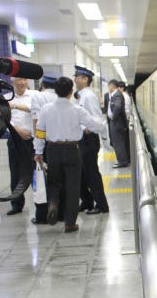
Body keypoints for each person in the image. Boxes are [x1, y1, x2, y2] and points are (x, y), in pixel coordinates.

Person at [33, 76, 107, 233]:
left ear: (55, 90)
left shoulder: (46, 109)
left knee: (54, 182)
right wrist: (103, 123)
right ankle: (70, 223)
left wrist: (38, 152)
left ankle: (53, 203)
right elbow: (96, 125)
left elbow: (39, 132)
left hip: (52, 149)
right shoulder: (77, 110)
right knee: (73, 186)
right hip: (72, 150)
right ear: (71, 91)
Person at [74, 66, 109, 214]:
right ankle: (87, 201)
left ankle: (101, 205)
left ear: (85, 79)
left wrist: (88, 127)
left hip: (89, 139)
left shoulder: (88, 96)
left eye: (78, 77)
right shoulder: (81, 96)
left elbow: (97, 119)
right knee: (82, 172)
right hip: (82, 139)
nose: (75, 79)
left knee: (91, 173)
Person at [29, 74, 58, 224]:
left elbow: (37, 122)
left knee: (42, 180)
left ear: (43, 85)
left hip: (45, 144)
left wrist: (37, 148)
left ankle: (42, 215)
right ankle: (60, 212)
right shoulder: (61, 98)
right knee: (60, 179)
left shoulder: (38, 97)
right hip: (60, 144)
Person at [5, 77, 34, 215]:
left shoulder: (35, 96)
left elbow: (35, 111)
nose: (22, 83)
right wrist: (18, 131)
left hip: (33, 140)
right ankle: (16, 204)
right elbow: (4, 119)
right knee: (16, 173)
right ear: (12, 81)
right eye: (19, 80)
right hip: (15, 140)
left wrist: (16, 106)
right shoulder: (5, 98)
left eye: (24, 80)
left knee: (38, 173)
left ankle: (42, 203)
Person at [107, 79, 129, 168]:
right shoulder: (116, 95)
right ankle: (121, 160)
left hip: (117, 123)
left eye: (108, 86)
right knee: (118, 142)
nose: (108, 88)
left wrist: (113, 117)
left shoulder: (117, 95)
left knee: (118, 142)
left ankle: (122, 161)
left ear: (112, 86)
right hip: (116, 122)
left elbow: (118, 106)